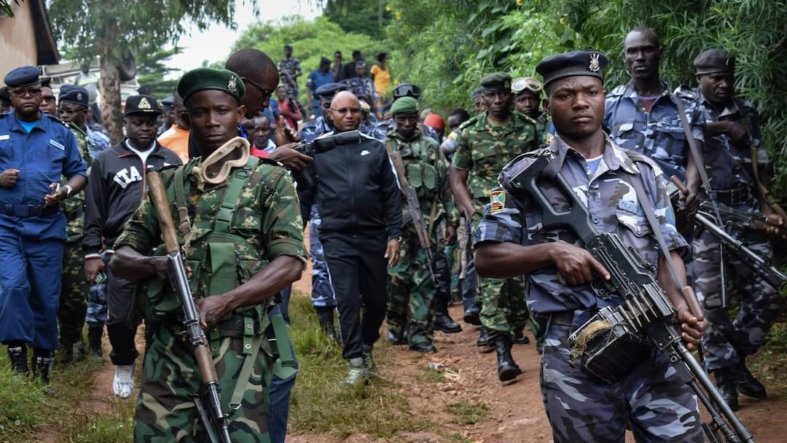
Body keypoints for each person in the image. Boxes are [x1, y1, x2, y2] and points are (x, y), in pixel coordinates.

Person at [474, 50, 705, 442]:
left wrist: (682, 308)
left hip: (652, 342)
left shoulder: (644, 173)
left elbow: (669, 253)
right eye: (565, 95)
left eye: (590, 92)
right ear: (547, 102)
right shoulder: (516, 177)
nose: (579, 102)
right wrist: (550, 252)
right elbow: (486, 257)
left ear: (603, 97)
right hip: (575, 353)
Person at [110, 67, 306, 441]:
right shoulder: (168, 183)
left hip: (239, 347)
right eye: (200, 112)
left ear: (240, 113)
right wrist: (157, 266)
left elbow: (290, 263)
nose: (212, 121)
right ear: (187, 118)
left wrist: (226, 302)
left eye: (222, 111)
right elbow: (120, 257)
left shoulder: (269, 180)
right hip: (170, 345)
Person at [687, 48, 783, 411]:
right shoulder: (682, 107)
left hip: (745, 212)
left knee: (768, 291)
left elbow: (761, 164)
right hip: (707, 216)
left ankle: (735, 357)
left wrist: (768, 207)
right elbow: (679, 135)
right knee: (712, 304)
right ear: (699, 78)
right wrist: (723, 127)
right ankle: (724, 379)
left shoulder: (746, 111)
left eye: (729, 77)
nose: (724, 84)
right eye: (716, 78)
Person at [225, 48, 303, 443]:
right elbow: (220, 164)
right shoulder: (212, 122)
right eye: (265, 92)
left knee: (279, 371)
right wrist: (273, 156)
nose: (267, 102)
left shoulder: (241, 130)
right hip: (230, 281)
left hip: (262, 277)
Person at [83, 95, 181, 397]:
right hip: (118, 251)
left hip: (159, 251)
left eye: (150, 122)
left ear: (158, 123)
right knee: (120, 316)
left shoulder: (170, 161)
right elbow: (94, 208)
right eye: (137, 122)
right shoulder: (107, 160)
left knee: (162, 313)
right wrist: (91, 252)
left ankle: (156, 366)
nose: (144, 128)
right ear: (126, 122)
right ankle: (124, 362)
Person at [301, 90, 402, 385]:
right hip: (336, 237)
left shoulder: (376, 149)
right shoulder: (316, 151)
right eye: (342, 111)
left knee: (378, 300)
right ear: (329, 114)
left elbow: (391, 195)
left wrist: (394, 234)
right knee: (345, 299)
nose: (349, 116)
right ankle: (356, 363)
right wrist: (296, 233)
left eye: (354, 111)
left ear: (362, 114)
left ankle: (367, 345)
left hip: (374, 236)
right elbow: (305, 196)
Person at [449, 72, 540, 382]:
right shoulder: (470, 132)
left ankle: (516, 329)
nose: (498, 100)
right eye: (492, 95)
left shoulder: (529, 129)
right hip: (492, 206)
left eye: (503, 94)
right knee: (494, 281)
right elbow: (457, 175)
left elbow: (545, 165)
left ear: (510, 97)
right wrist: (469, 208)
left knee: (521, 280)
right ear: (483, 99)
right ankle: (502, 349)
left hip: (525, 207)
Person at [0, 66, 87, 382]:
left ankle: (43, 363)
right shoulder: (0, 127)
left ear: (40, 94)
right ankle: (18, 358)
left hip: (48, 225)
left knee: (47, 297)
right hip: (6, 225)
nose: (27, 97)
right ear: (11, 97)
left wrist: (63, 191)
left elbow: (80, 173)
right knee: (12, 287)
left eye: (33, 91)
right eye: (20, 92)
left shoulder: (59, 132)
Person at [385, 97, 458, 353]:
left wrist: (451, 219)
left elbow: (446, 187)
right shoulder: (384, 147)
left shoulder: (431, 146)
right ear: (394, 120)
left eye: (411, 118)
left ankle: (420, 334)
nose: (406, 123)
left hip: (428, 222)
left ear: (417, 118)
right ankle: (396, 326)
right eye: (401, 119)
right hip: (396, 224)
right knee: (397, 278)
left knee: (425, 278)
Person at [604, 27, 703, 205]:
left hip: (672, 204)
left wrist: (692, 189)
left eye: (647, 49)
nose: (640, 57)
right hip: (622, 203)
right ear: (624, 57)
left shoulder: (687, 105)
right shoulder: (610, 104)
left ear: (659, 53)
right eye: (633, 51)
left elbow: (695, 156)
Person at [56, 85, 110, 363]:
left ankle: (75, 338)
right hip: (50, 227)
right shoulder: (52, 135)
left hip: (82, 228)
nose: (64, 116)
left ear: (85, 112)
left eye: (71, 111)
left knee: (80, 295)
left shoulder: (99, 143)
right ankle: (56, 347)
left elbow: (102, 186)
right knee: (50, 292)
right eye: (61, 110)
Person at [512, 76, 550, 144]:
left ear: (539, 101)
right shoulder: (508, 127)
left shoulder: (551, 126)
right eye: (522, 100)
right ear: (513, 102)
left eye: (532, 99)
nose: (528, 104)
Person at [157, 92, 190, 162]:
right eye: (182, 112)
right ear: (174, 110)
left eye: (189, 112)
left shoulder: (209, 134)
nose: (186, 117)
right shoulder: (163, 141)